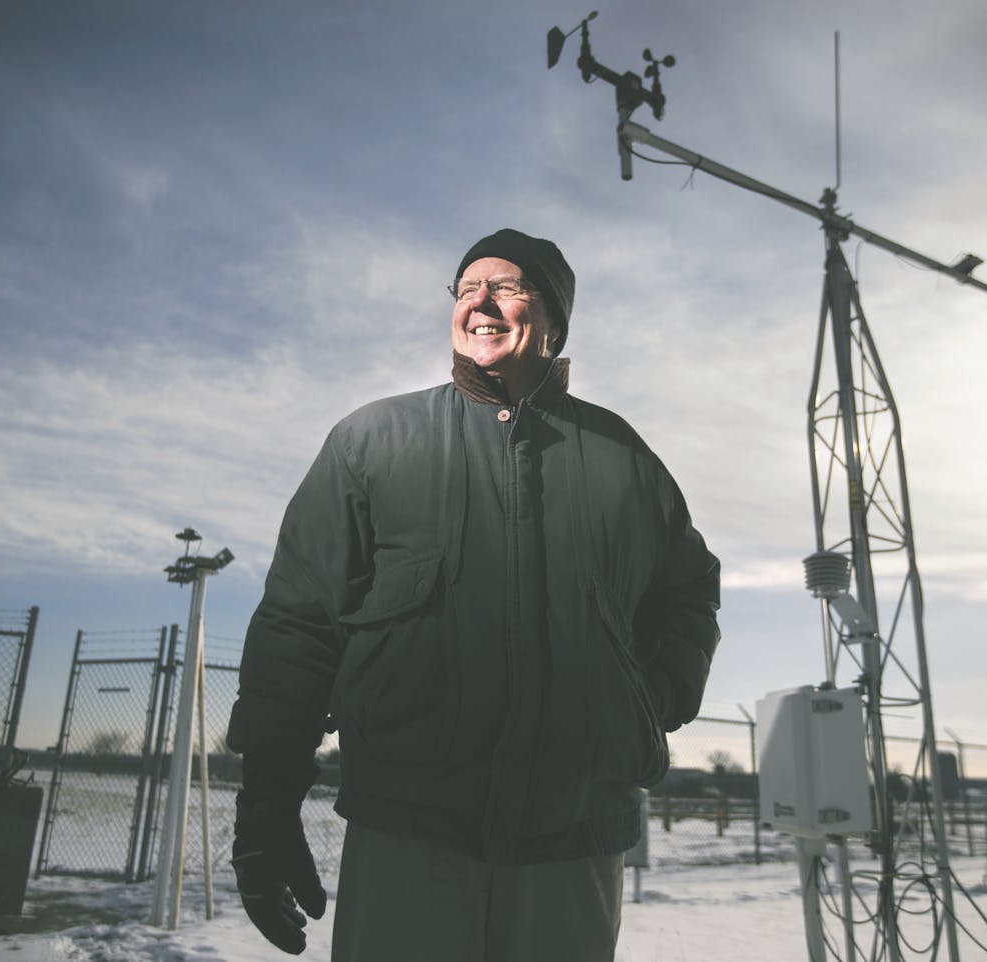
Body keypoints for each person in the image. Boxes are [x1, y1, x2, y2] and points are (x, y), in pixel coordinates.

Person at [225, 227, 721, 961]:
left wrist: (650, 700)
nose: (480, 301)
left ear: (552, 319)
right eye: (466, 289)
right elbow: (298, 625)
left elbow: (687, 595)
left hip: (573, 844)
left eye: (508, 287)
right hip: (408, 833)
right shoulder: (372, 441)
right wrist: (265, 804)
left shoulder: (626, 459)